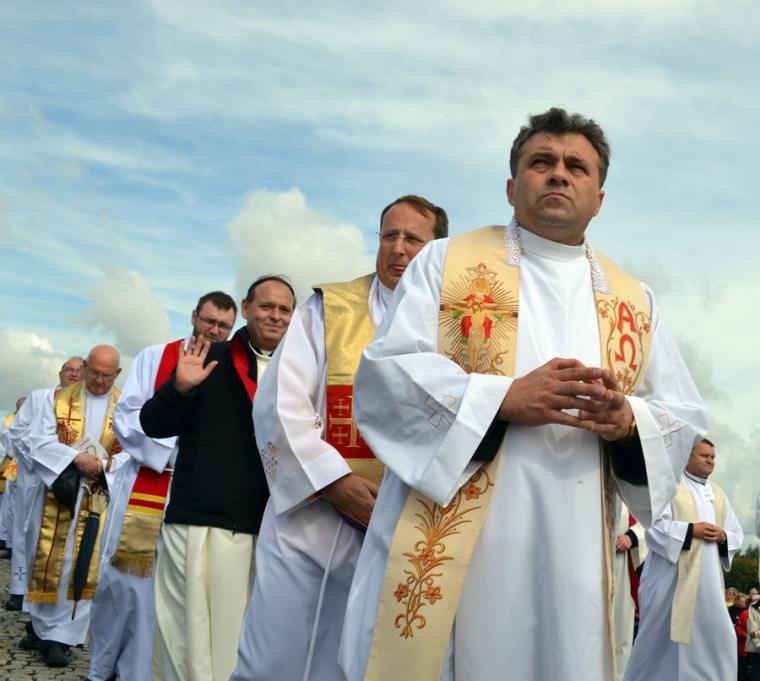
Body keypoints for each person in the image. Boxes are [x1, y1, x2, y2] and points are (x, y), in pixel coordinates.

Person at [339, 107, 707, 681]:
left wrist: (628, 421)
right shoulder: (446, 261)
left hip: (577, 546)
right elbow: (386, 376)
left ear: (599, 198)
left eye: (576, 166)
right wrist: (502, 400)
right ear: (512, 188)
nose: (559, 173)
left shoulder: (633, 300)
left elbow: (681, 414)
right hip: (460, 535)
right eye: (542, 162)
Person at [230, 195, 448, 681]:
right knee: (275, 660)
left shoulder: (454, 324)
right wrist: (333, 480)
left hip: (406, 526)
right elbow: (280, 402)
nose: (398, 248)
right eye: (389, 235)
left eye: (413, 239)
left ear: (438, 250)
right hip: (311, 524)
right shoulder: (328, 309)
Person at [140, 276, 294, 681]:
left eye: (284, 309)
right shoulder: (210, 357)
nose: (275, 316)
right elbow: (154, 424)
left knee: (249, 646)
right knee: (189, 645)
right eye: (266, 306)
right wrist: (179, 388)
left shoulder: (303, 367)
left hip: (270, 527)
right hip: (203, 521)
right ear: (246, 308)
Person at [87, 291, 237, 681]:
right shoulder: (155, 356)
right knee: (125, 587)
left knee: (177, 592)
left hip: (200, 494)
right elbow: (127, 417)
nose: (214, 330)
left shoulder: (235, 370)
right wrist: (176, 452)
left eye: (223, 325)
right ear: (194, 316)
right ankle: (106, 667)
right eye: (208, 321)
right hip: (152, 482)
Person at [22, 347, 124, 668]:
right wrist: (76, 458)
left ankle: (62, 638)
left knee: (85, 561)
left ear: (118, 374)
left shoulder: (126, 406)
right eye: (93, 372)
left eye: (107, 375)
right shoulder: (56, 399)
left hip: (100, 494)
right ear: (85, 367)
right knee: (52, 559)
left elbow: (134, 449)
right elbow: (38, 440)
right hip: (61, 490)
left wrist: (105, 465)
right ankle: (41, 627)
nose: (99, 380)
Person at [624, 439, 744, 680]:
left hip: (709, 587)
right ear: (687, 457)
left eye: (713, 456)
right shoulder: (670, 487)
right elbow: (653, 528)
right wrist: (691, 530)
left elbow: (736, 534)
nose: (711, 460)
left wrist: (723, 536)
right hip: (670, 583)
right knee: (662, 643)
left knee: (718, 637)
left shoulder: (718, 494)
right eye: (704, 456)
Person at [614, 502, 647, 679]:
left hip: (620, 568)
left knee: (620, 634)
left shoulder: (627, 494)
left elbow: (649, 522)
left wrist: (631, 537)